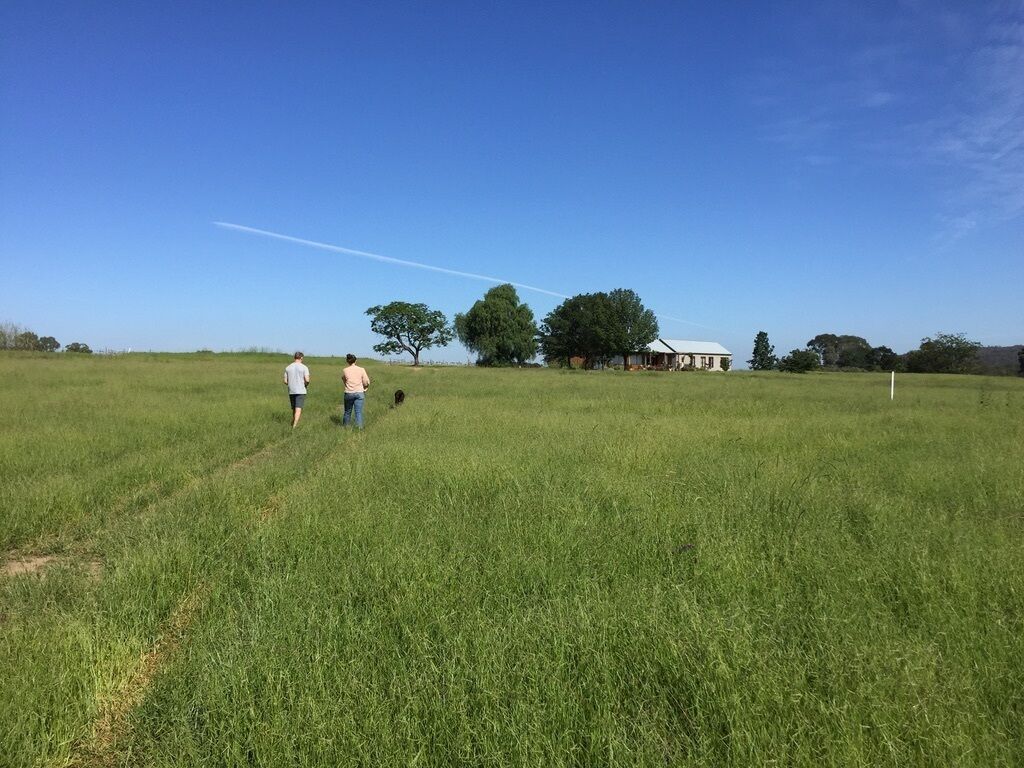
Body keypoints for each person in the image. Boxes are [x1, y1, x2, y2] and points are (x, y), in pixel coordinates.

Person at [341, 353, 370, 428]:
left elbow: (343, 378)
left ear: (347, 361)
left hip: (349, 393)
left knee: (347, 412)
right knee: (358, 412)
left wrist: (346, 385)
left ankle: (346, 428)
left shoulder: (345, 370)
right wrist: (365, 388)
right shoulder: (361, 369)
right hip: (359, 393)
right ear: (355, 360)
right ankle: (359, 429)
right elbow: (366, 381)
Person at [283, 351, 310, 428]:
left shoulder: (288, 367)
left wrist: (291, 383)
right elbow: (307, 380)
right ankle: (294, 426)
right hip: (301, 390)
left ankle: (293, 422)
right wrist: (305, 385)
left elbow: (285, 381)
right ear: (301, 358)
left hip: (291, 390)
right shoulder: (304, 367)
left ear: (294, 357)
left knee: (294, 409)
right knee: (298, 409)